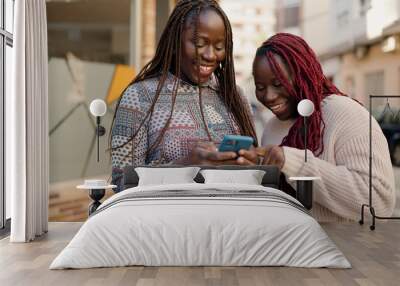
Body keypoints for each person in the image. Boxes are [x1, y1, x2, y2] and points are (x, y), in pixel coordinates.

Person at [237, 33, 395, 222]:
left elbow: (379, 202)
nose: (269, 96)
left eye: (279, 83)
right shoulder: (272, 127)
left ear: (302, 75)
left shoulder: (344, 113)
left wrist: (293, 163)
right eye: (260, 87)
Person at [110, 0, 257, 192]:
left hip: (230, 217)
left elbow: (256, 174)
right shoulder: (139, 96)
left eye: (219, 46)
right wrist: (186, 165)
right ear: (174, 42)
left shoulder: (235, 96)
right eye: (199, 43)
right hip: (167, 220)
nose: (210, 55)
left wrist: (252, 163)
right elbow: (122, 182)